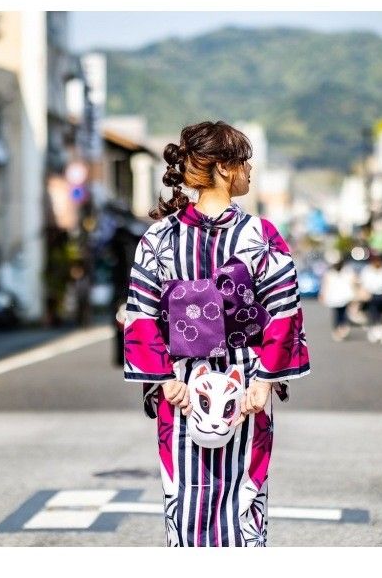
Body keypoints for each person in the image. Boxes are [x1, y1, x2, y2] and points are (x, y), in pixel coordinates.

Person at [122, 121, 311, 547]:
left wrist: (166, 380)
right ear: (225, 169)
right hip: (244, 384)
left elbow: (142, 313)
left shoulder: (159, 237)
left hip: (184, 385)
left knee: (185, 498)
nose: (250, 171)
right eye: (244, 162)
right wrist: (264, 381)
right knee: (244, 499)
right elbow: (284, 311)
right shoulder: (261, 236)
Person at [359, 254, 382, 343]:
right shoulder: (367, 270)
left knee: (381, 313)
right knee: (372, 312)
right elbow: (364, 282)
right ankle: (373, 329)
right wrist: (365, 292)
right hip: (371, 294)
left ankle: (379, 329)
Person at [319, 259, 354, 341]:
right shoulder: (330, 274)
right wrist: (322, 295)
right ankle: (338, 330)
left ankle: (341, 329)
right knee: (338, 315)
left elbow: (351, 284)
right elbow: (325, 286)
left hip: (344, 298)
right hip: (335, 298)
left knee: (342, 314)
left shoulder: (346, 272)